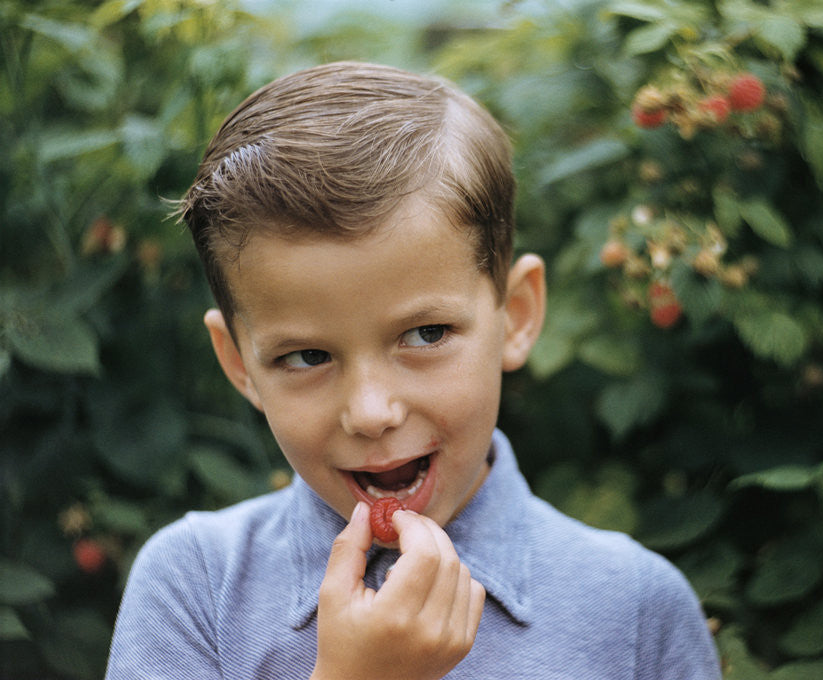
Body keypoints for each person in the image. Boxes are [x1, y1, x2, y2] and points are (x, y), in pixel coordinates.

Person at [105, 61, 721, 680]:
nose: (372, 413)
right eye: (307, 357)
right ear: (239, 364)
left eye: (426, 335)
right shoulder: (195, 589)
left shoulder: (636, 611)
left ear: (518, 315)